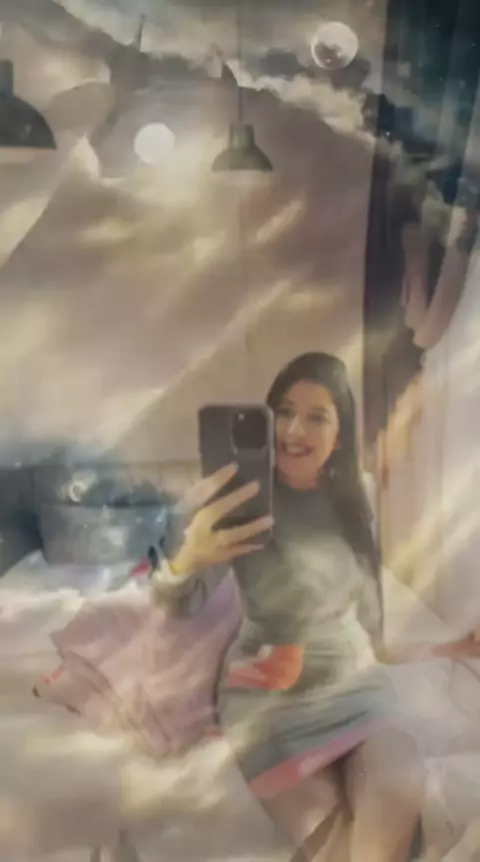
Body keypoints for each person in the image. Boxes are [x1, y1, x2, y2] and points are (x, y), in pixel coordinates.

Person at [148, 352, 424, 862]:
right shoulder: (236, 502)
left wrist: (409, 646)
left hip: (352, 683)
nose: (294, 430)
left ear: (339, 435)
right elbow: (180, 604)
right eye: (284, 412)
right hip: (268, 695)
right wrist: (188, 557)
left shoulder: (358, 496)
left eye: (316, 416)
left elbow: (369, 596)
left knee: (399, 782)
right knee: (337, 848)